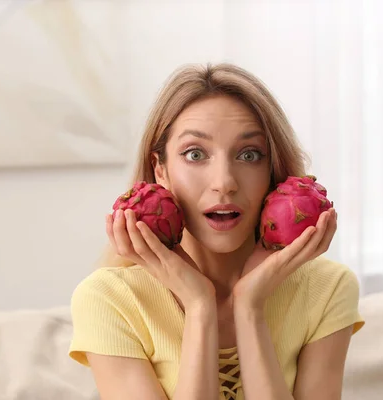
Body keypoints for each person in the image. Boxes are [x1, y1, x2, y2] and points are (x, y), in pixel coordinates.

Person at [68, 63, 365, 400]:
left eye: (249, 154)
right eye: (195, 154)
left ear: (273, 171)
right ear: (160, 170)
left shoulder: (326, 289)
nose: (224, 182)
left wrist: (250, 307)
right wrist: (199, 308)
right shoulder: (111, 300)